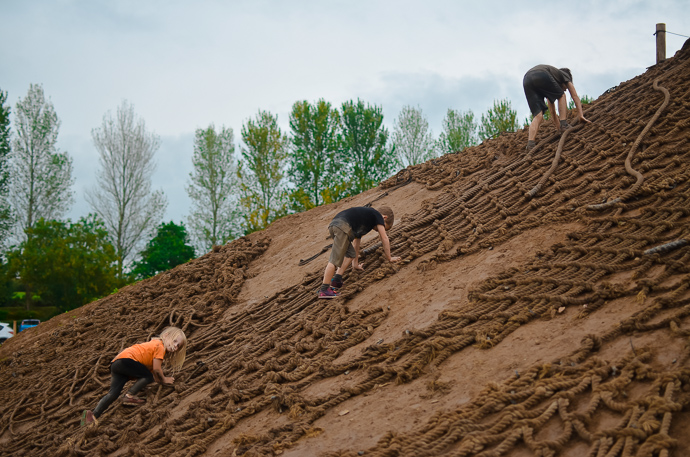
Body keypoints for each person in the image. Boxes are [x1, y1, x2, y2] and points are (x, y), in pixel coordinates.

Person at [80, 326, 187, 425]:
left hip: (117, 363)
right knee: (146, 377)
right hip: (127, 360)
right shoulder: (160, 346)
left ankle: (91, 416)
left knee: (113, 394)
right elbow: (157, 369)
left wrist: (157, 381)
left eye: (178, 346)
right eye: (174, 341)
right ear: (166, 336)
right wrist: (164, 379)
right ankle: (129, 396)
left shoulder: (153, 344)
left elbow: (152, 373)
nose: (175, 346)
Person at [318, 206, 401, 299]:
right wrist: (389, 258)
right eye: (384, 227)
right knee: (334, 260)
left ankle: (337, 279)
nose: (379, 230)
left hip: (338, 225)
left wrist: (355, 265)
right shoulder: (377, 215)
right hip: (342, 226)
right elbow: (384, 238)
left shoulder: (365, 220)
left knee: (350, 254)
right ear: (384, 218)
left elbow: (356, 244)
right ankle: (324, 290)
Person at [523, 64, 591, 150]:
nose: (565, 89)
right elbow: (575, 96)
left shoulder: (549, 85)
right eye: (565, 87)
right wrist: (581, 115)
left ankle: (530, 144)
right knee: (562, 96)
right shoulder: (565, 75)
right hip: (541, 74)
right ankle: (564, 124)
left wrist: (558, 127)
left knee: (538, 115)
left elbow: (552, 111)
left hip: (527, 80)